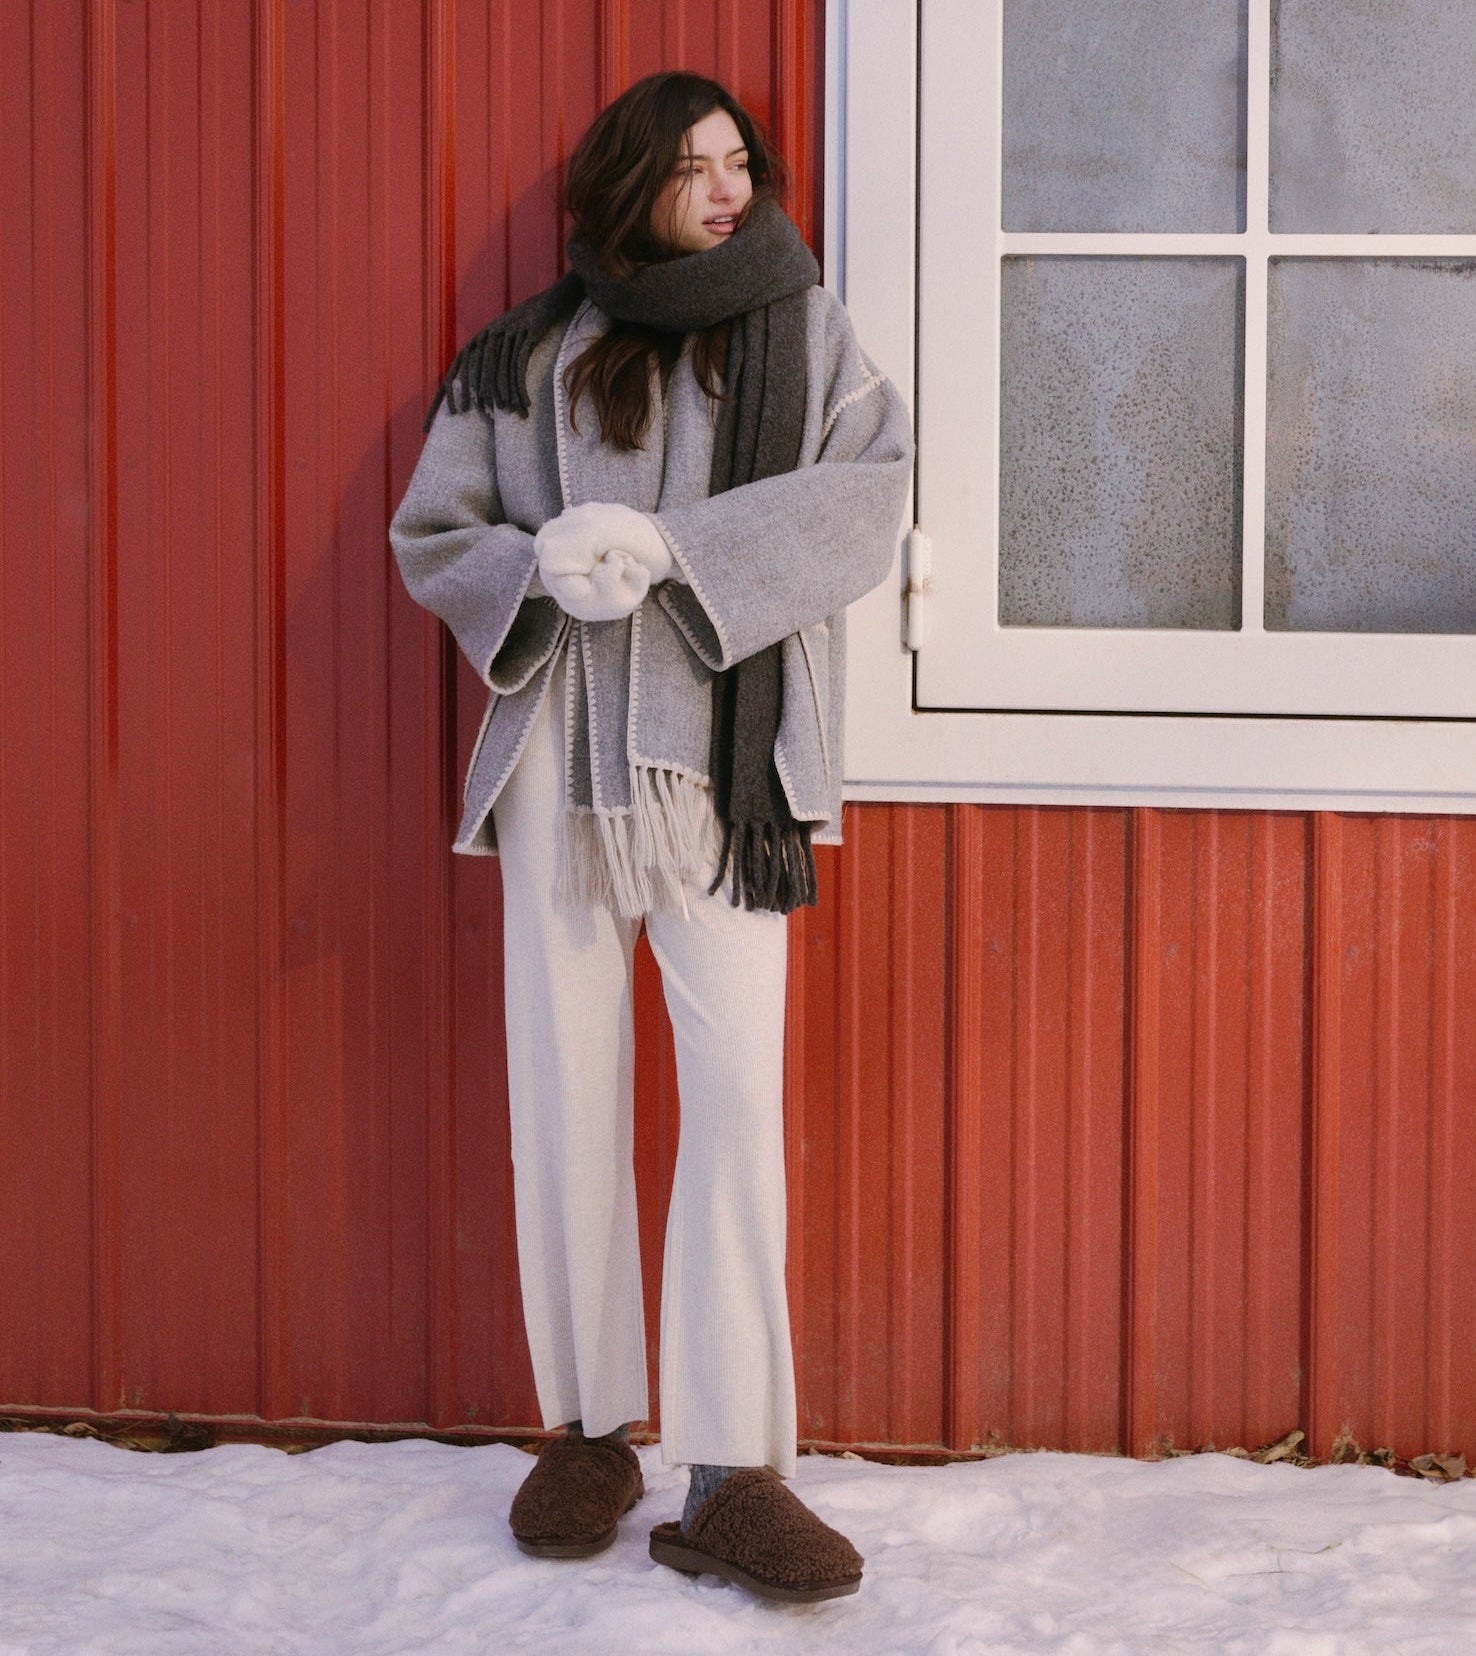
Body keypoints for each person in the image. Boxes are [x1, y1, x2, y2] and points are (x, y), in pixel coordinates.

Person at [389, 70, 913, 1604]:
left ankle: (734, 1465)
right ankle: (587, 1431)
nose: (726, 186)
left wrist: (681, 551)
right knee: (562, 1087)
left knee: (736, 1101)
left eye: (738, 159)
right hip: (560, 757)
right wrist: (538, 568)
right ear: (629, 184)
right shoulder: (525, 353)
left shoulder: (801, 331)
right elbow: (436, 532)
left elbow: (871, 498)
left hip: (719, 776)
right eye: (692, 166)